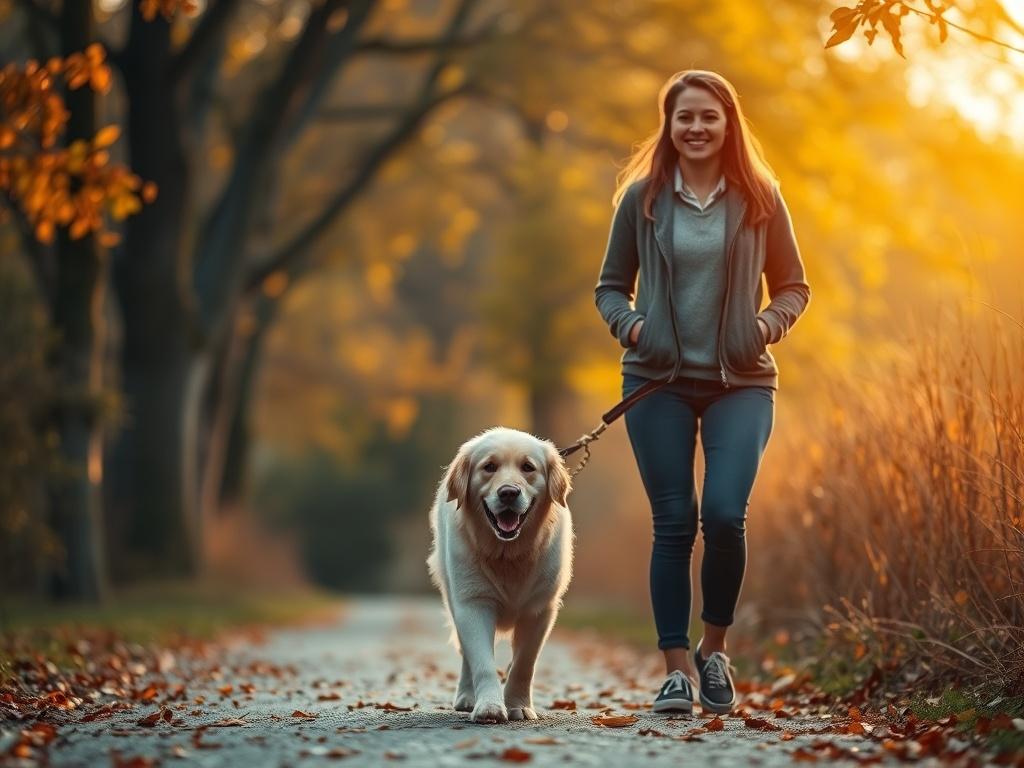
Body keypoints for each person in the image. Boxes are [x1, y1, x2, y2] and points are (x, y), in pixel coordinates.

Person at [594, 69, 811, 715]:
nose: (695, 127)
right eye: (683, 116)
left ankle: (715, 651)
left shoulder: (762, 198)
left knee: (723, 514)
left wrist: (765, 327)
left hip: (739, 383)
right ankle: (676, 670)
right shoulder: (643, 199)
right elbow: (610, 285)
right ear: (669, 125)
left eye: (707, 116)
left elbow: (795, 285)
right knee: (673, 523)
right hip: (657, 382)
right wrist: (629, 325)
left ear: (727, 123)